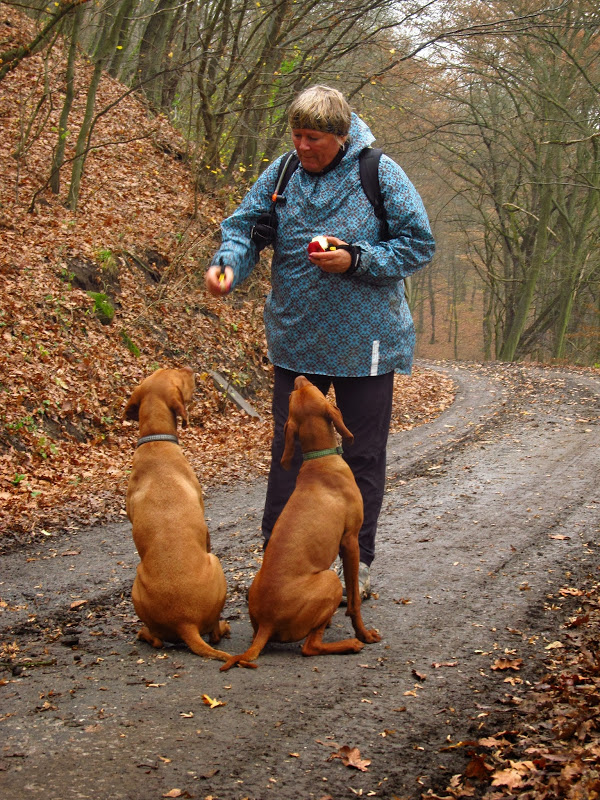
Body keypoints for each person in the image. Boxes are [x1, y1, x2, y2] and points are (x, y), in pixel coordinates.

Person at [205, 85, 435, 599]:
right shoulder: (282, 173)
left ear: (342, 135)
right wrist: (228, 264)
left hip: (367, 341)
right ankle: (277, 559)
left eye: (314, 138)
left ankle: (358, 564)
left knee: (362, 456)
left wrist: (357, 260)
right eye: (297, 135)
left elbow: (419, 245)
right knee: (289, 454)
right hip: (296, 339)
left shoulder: (379, 173)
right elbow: (244, 229)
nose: (304, 146)